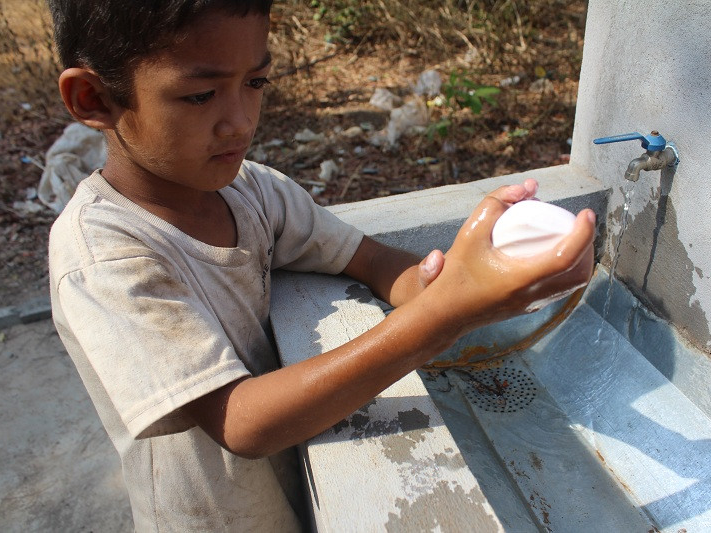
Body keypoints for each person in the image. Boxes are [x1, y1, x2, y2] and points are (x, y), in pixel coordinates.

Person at [47, 0, 596, 530]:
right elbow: (241, 422)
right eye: (200, 95)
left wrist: (455, 279)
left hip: (290, 487)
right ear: (93, 98)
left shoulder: (253, 192)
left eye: (255, 83)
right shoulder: (104, 257)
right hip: (212, 519)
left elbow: (372, 260)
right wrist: (443, 317)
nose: (239, 121)